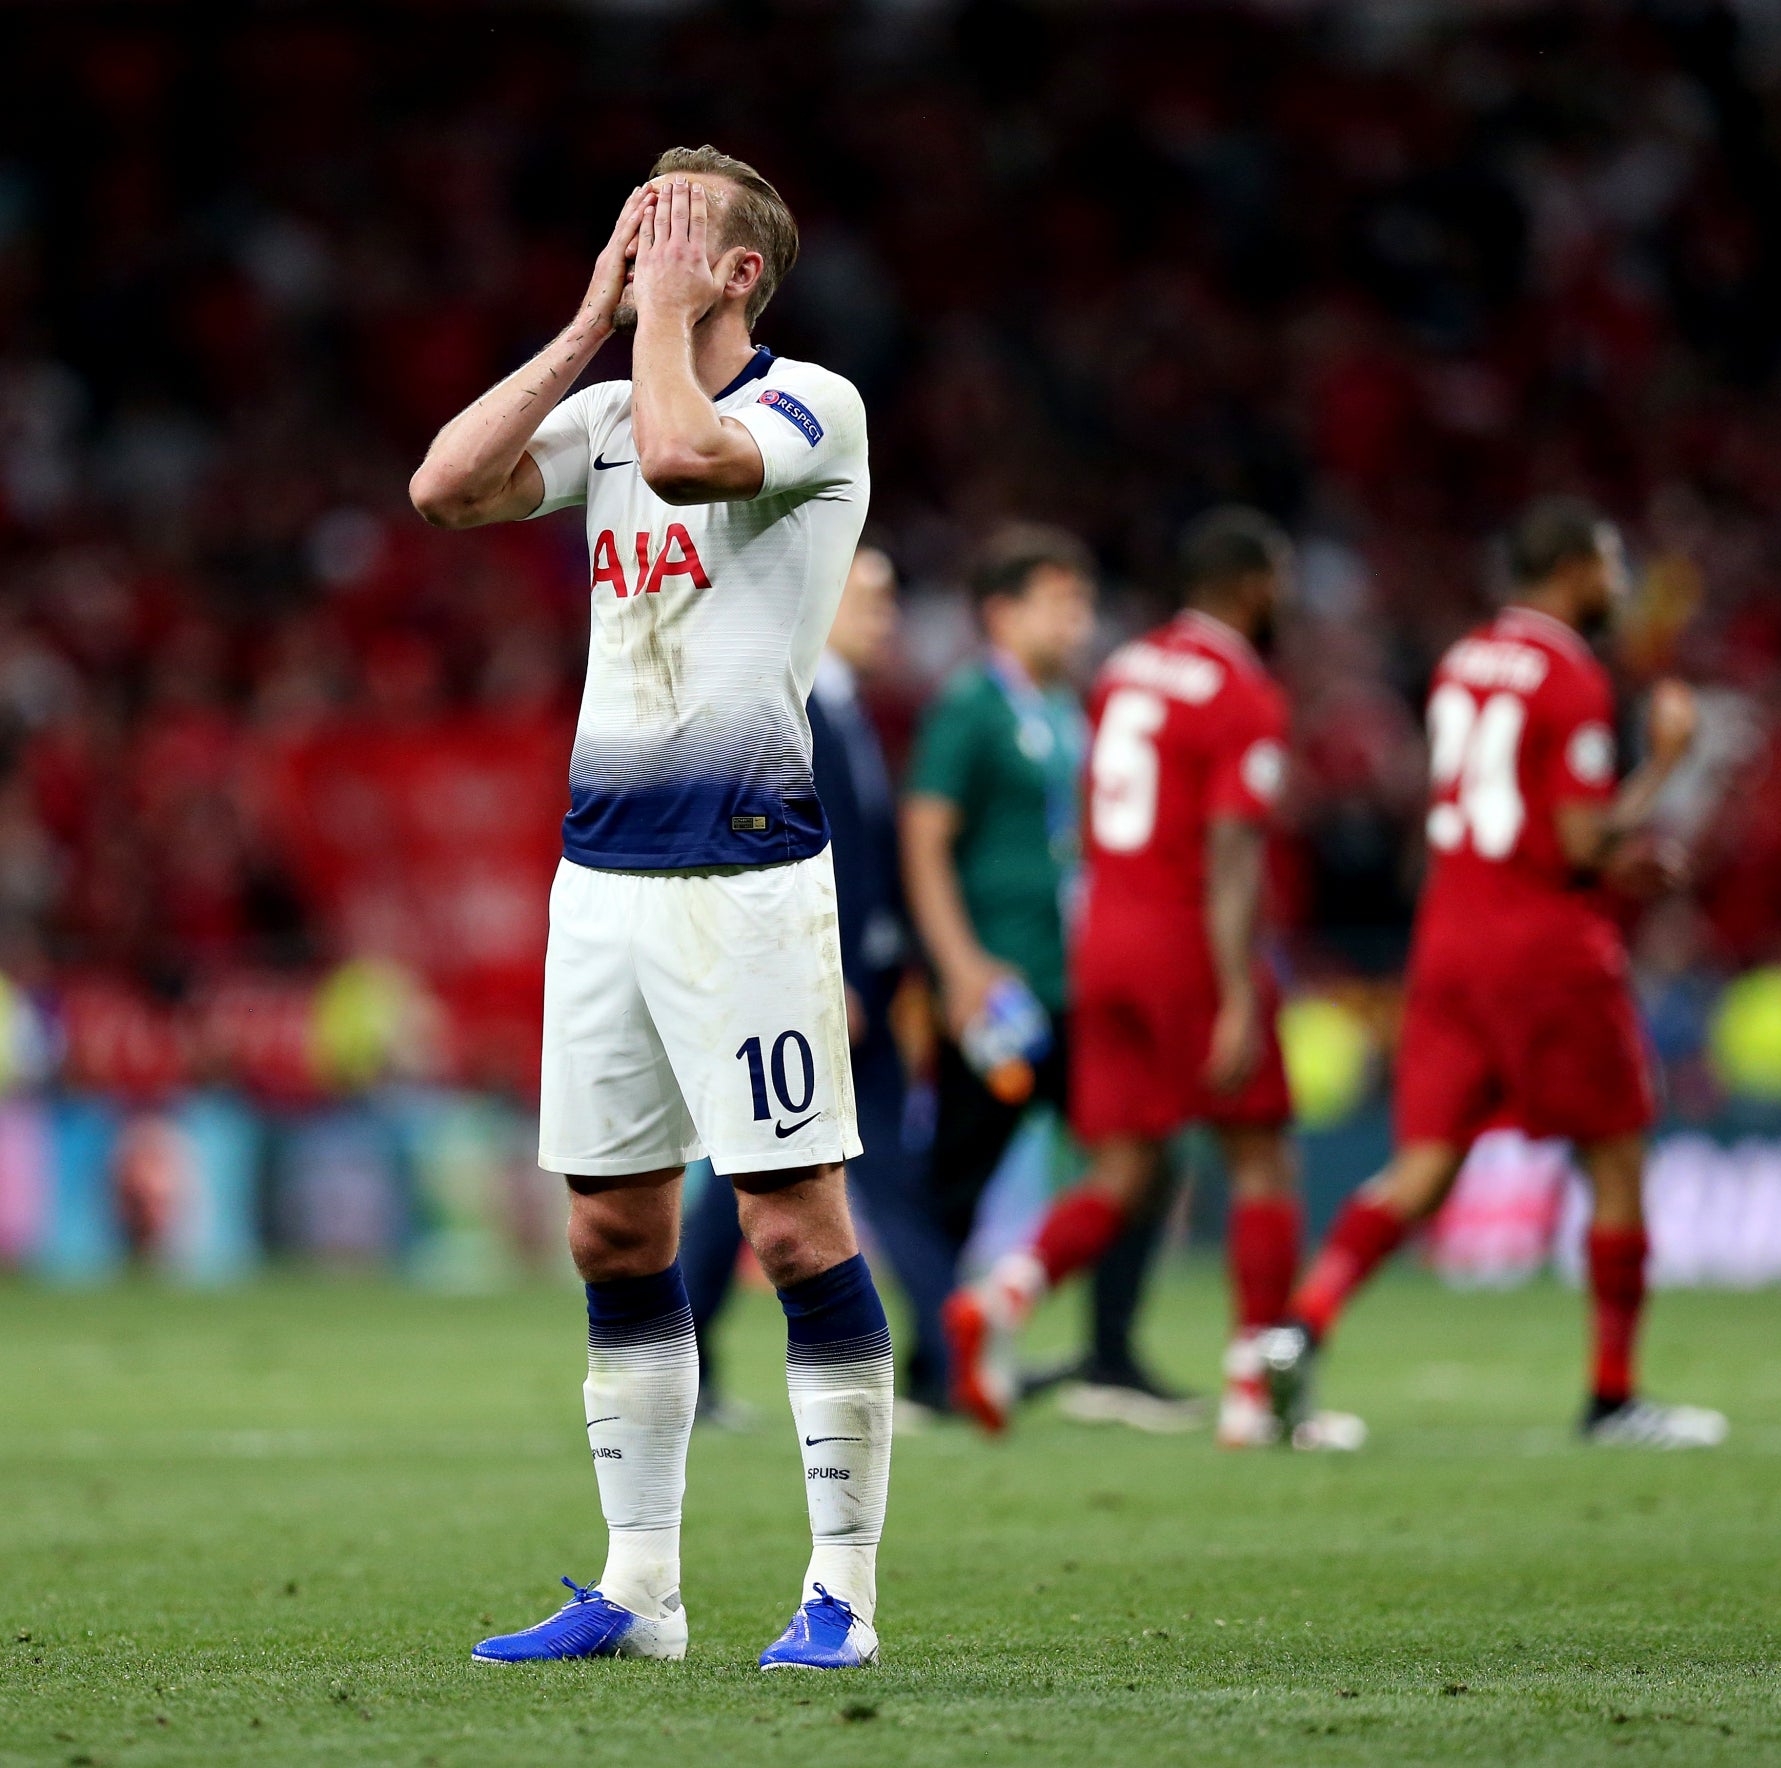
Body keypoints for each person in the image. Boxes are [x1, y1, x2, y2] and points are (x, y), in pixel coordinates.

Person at [410, 146, 892, 1670]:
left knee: (793, 1228)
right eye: (629, 225)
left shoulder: (809, 406)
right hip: (602, 878)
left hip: (746, 875)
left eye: (666, 230)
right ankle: (639, 1592)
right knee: (614, 1228)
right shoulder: (615, 403)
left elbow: (690, 462)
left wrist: (663, 330)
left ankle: (844, 1595)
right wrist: (583, 328)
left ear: (739, 270)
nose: (638, 249)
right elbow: (443, 487)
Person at [1256, 497, 1727, 1450]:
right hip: (1548, 950)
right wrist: (1667, 768)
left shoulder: (1464, 660)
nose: (1621, 583)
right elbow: (1578, 841)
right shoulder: (1570, 674)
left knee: (1425, 1164)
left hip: (1450, 942)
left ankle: (1301, 1325)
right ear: (1573, 570)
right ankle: (1611, 1395)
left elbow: (1500, 816)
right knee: (1618, 1156)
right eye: (1611, 563)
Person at [941, 508, 1359, 1449]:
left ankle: (1006, 1295)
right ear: (1253, 587)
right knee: (1262, 1156)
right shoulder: (1243, 693)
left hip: (1103, 940)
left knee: (1128, 1164)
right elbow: (1231, 854)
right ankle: (1258, 1393)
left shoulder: (1125, 669)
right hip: (1183, 941)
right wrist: (1242, 994)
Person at [900, 526, 1194, 1432]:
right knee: (960, 1176)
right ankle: (927, 1372)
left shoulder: (1072, 707)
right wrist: (956, 966)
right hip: (1003, 989)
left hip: (1076, 984)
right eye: (1059, 601)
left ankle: (1109, 1357)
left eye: (1082, 602)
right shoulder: (971, 708)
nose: (1080, 619)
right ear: (1002, 610)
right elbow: (925, 839)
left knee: (1142, 1157)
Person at [679, 546, 953, 1423]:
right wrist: (824, 973)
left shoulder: (845, 708)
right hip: (812, 983)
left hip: (854, 980)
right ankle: (950, 1362)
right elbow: (786, 852)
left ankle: (949, 1360)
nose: (887, 619)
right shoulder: (790, 706)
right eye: (869, 601)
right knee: (762, 1182)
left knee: (788, 1177)